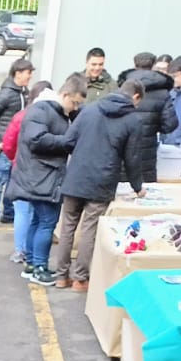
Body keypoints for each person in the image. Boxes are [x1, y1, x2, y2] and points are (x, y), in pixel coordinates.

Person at [51, 77, 145, 291]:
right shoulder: (133, 120)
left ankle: (60, 276)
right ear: (136, 96)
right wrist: (137, 186)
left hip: (76, 176)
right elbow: (132, 158)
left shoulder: (89, 109)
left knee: (67, 228)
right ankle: (80, 278)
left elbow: (68, 141)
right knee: (89, 229)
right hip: (102, 180)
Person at [8, 79, 70, 284]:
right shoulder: (44, 112)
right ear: (65, 96)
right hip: (41, 178)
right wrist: (67, 142)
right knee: (46, 222)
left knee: (35, 220)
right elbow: (36, 140)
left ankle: (32, 263)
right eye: (75, 103)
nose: (75, 108)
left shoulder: (36, 112)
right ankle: (39, 267)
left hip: (32, 176)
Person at [0, 58, 34, 228]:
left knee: (13, 180)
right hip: (5, 146)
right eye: (28, 73)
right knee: (0, 180)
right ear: (18, 73)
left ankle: (8, 213)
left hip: (19, 146)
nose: (30, 76)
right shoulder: (6, 94)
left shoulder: (25, 93)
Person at [123, 53, 173, 186]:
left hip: (123, 150)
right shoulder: (163, 93)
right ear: (153, 66)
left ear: (134, 65)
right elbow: (170, 125)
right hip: (147, 154)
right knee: (145, 196)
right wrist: (154, 126)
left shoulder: (123, 89)